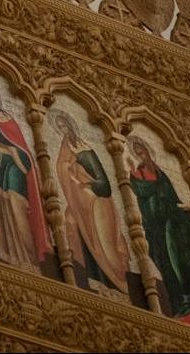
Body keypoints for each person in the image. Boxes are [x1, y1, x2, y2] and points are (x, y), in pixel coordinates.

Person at [127, 134, 190, 328]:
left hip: (173, 223)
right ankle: (181, 305)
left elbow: (171, 196)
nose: (141, 155)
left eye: (142, 151)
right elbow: (142, 192)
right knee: (167, 263)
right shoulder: (139, 172)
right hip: (157, 227)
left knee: (183, 262)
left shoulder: (159, 171)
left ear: (148, 151)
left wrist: (184, 208)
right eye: (137, 152)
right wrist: (133, 176)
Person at [0, 77, 50, 270]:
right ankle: (12, 256)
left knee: (16, 204)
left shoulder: (10, 120)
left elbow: (22, 148)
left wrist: (11, 151)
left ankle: (30, 258)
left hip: (15, 167)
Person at [50, 110, 130, 294]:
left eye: (65, 126)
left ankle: (114, 284)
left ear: (71, 127)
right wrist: (68, 169)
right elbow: (63, 171)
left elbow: (104, 185)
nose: (63, 131)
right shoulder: (64, 151)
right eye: (60, 128)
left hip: (97, 204)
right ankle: (92, 280)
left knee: (104, 244)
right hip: (79, 204)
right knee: (72, 224)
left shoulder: (86, 151)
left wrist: (84, 183)